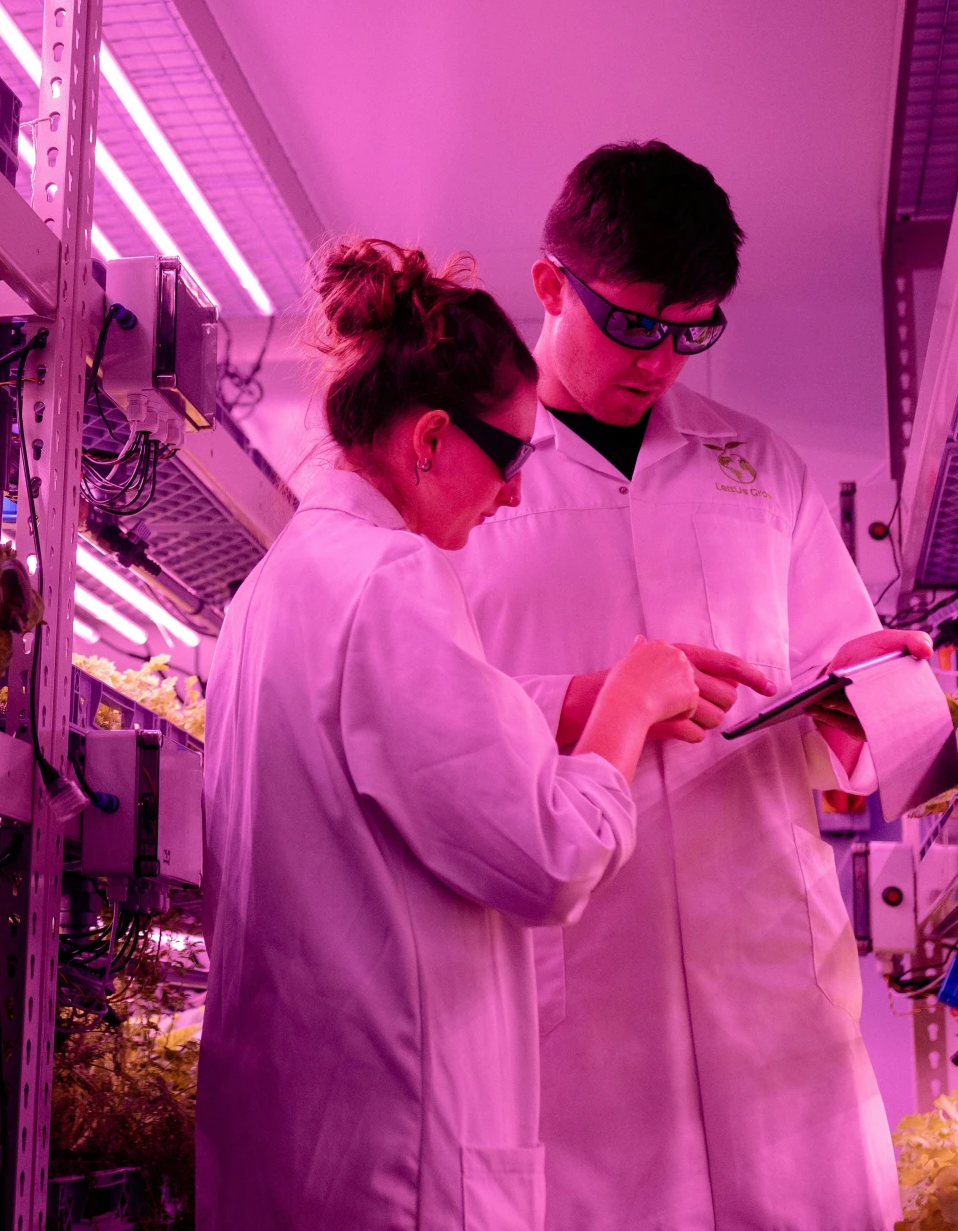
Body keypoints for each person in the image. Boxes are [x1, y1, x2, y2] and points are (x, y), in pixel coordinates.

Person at [450, 142, 939, 1231]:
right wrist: (580, 702)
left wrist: (868, 689)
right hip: (573, 974)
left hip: (770, 964)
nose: (661, 360)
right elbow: (417, 719)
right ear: (549, 285)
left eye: (693, 329)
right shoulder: (464, 480)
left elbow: (836, 666)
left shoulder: (758, 467)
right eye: (631, 323)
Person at [199, 238, 710, 1231]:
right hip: (402, 1165)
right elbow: (551, 856)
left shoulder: (279, 587)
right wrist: (630, 703)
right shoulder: (394, 580)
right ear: (430, 437)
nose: (517, 488)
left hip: (303, 1154)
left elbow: (395, 761)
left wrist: (560, 699)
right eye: (510, 453)